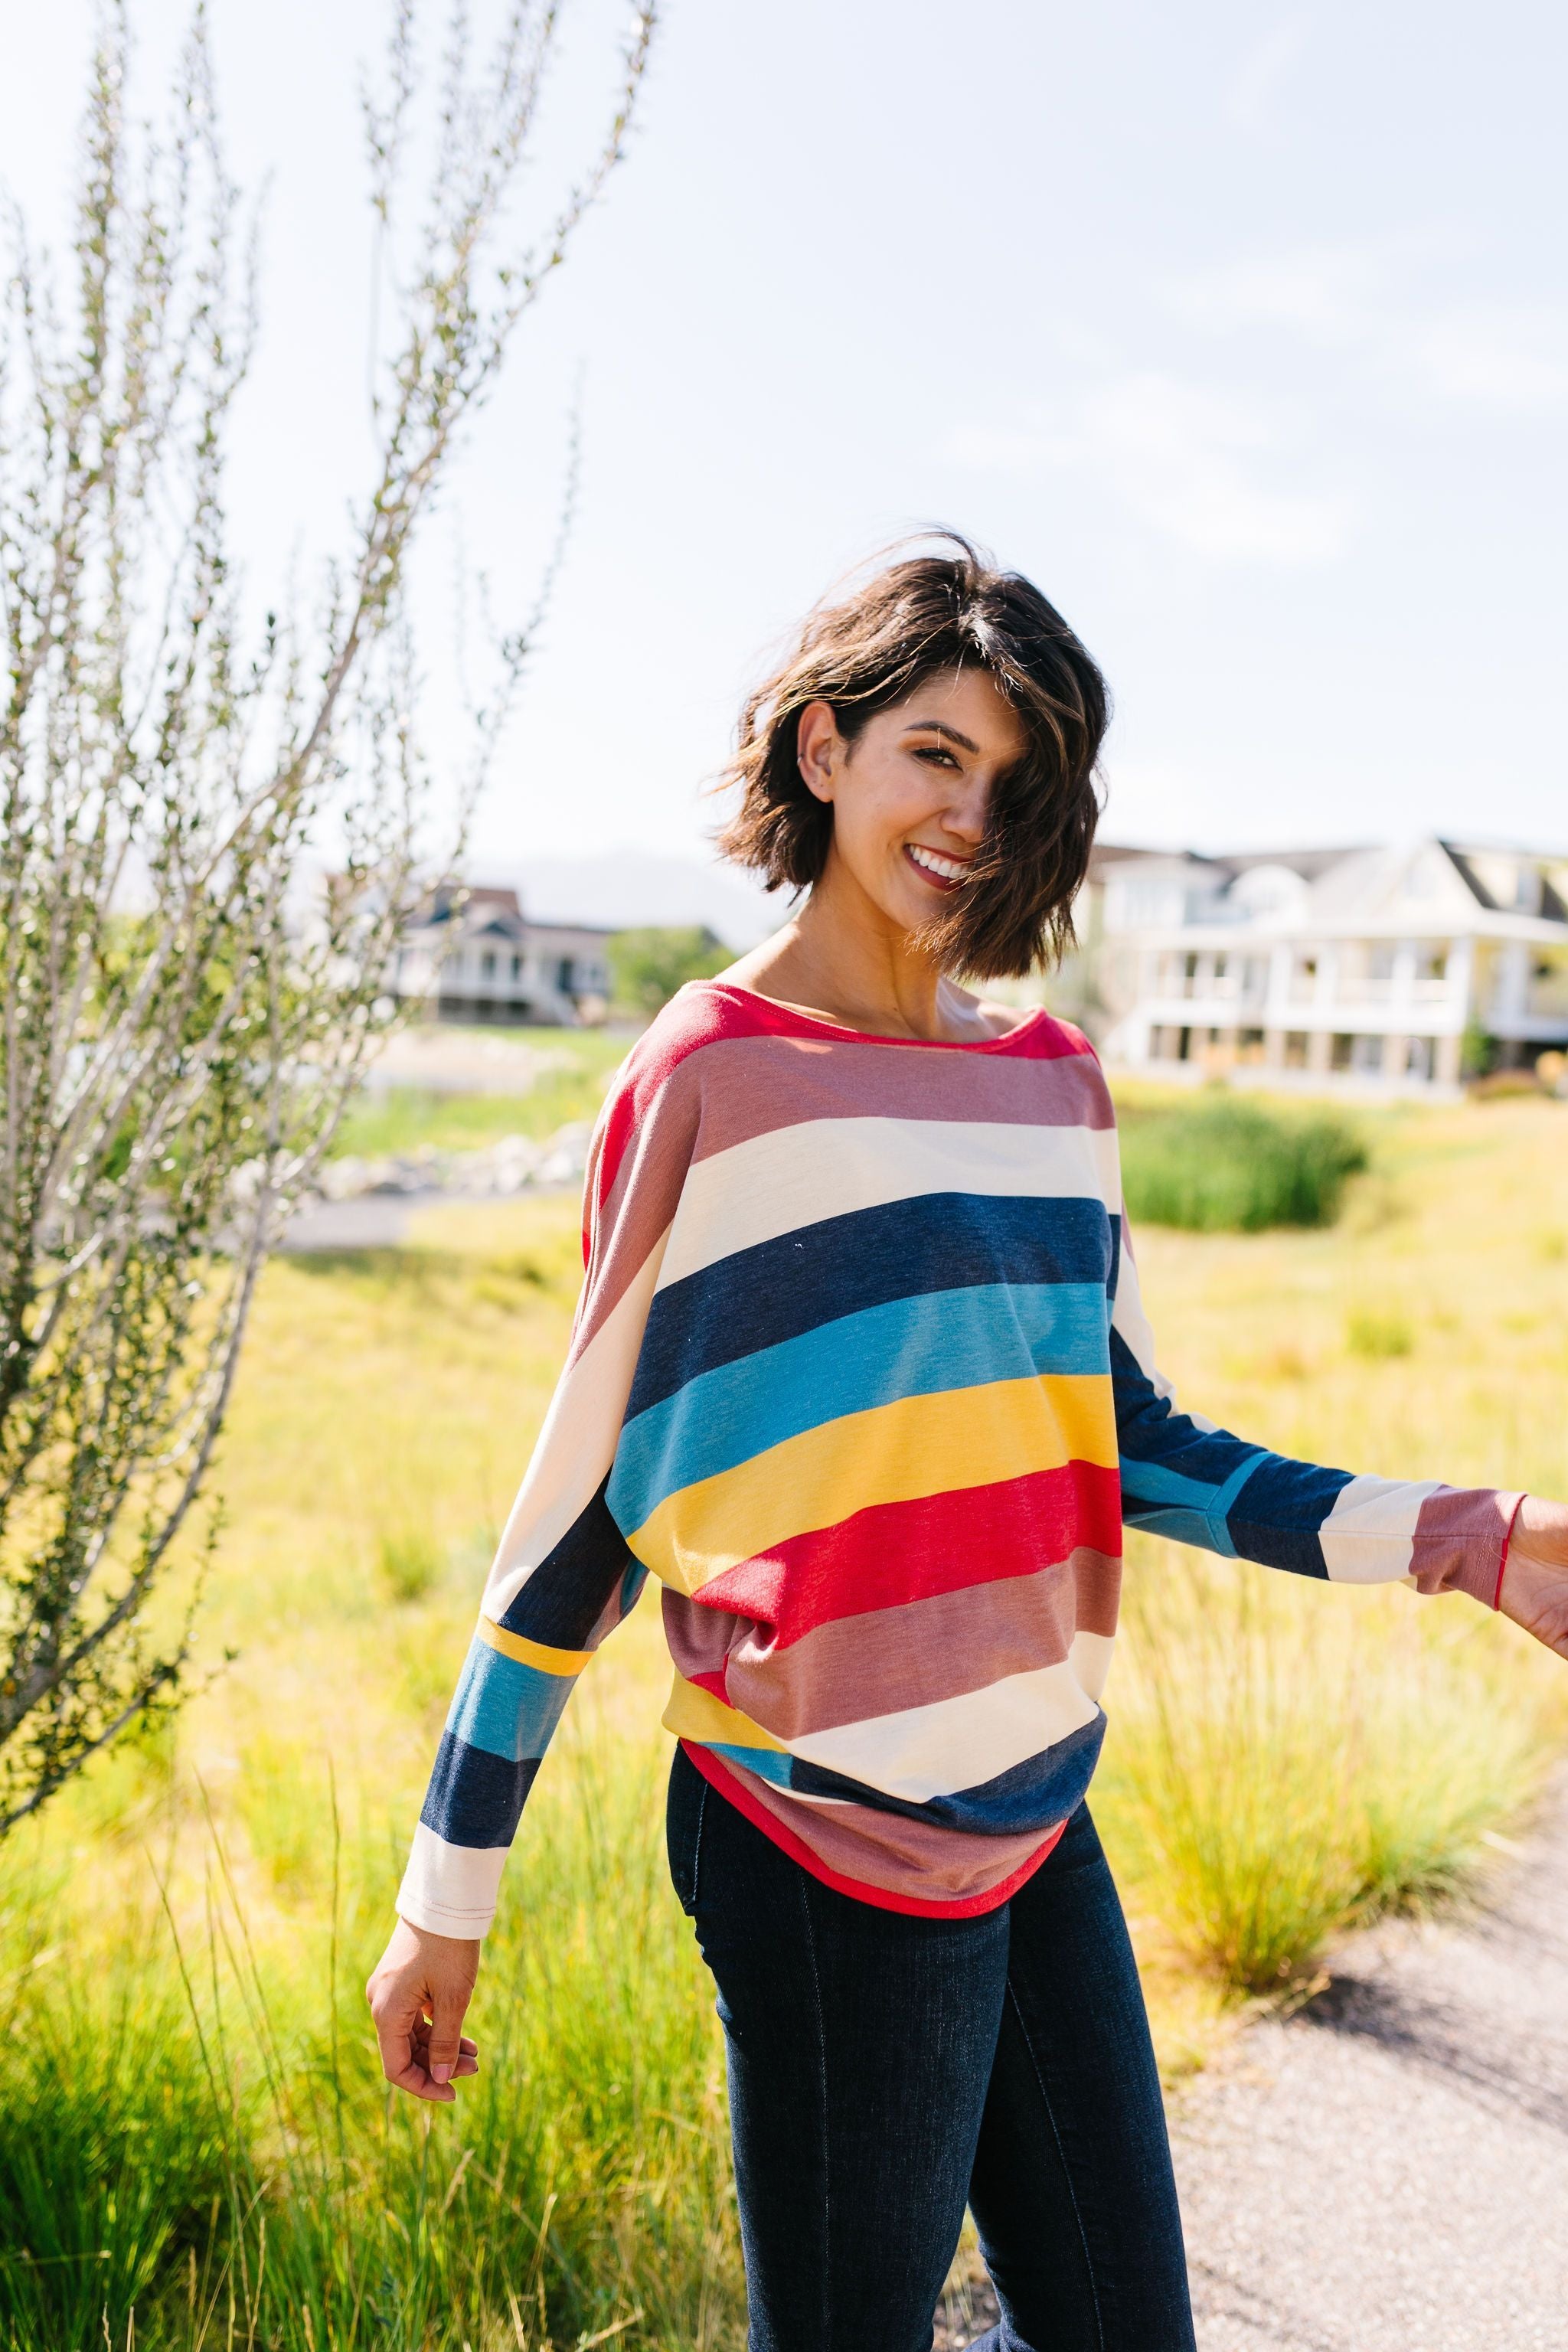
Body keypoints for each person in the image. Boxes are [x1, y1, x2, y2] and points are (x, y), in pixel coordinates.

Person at [367, 537, 1568, 2352]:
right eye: (935, 750)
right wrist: (444, 1894)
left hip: (1031, 1806)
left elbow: (1141, 1451)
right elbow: (580, 1525)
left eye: (1016, 781)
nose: (970, 811)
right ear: (824, 746)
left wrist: (1470, 1539)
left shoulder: (1051, 1084)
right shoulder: (711, 1077)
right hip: (816, 1836)